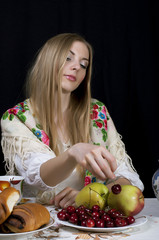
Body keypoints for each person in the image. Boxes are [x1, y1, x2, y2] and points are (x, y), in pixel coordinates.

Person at [1, 33, 144, 208]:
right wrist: (73, 153)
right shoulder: (17, 118)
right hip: (42, 226)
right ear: (48, 60)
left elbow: (125, 176)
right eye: (68, 58)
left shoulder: (97, 112)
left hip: (89, 223)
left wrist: (89, 196)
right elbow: (39, 176)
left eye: (84, 64)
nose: (76, 66)